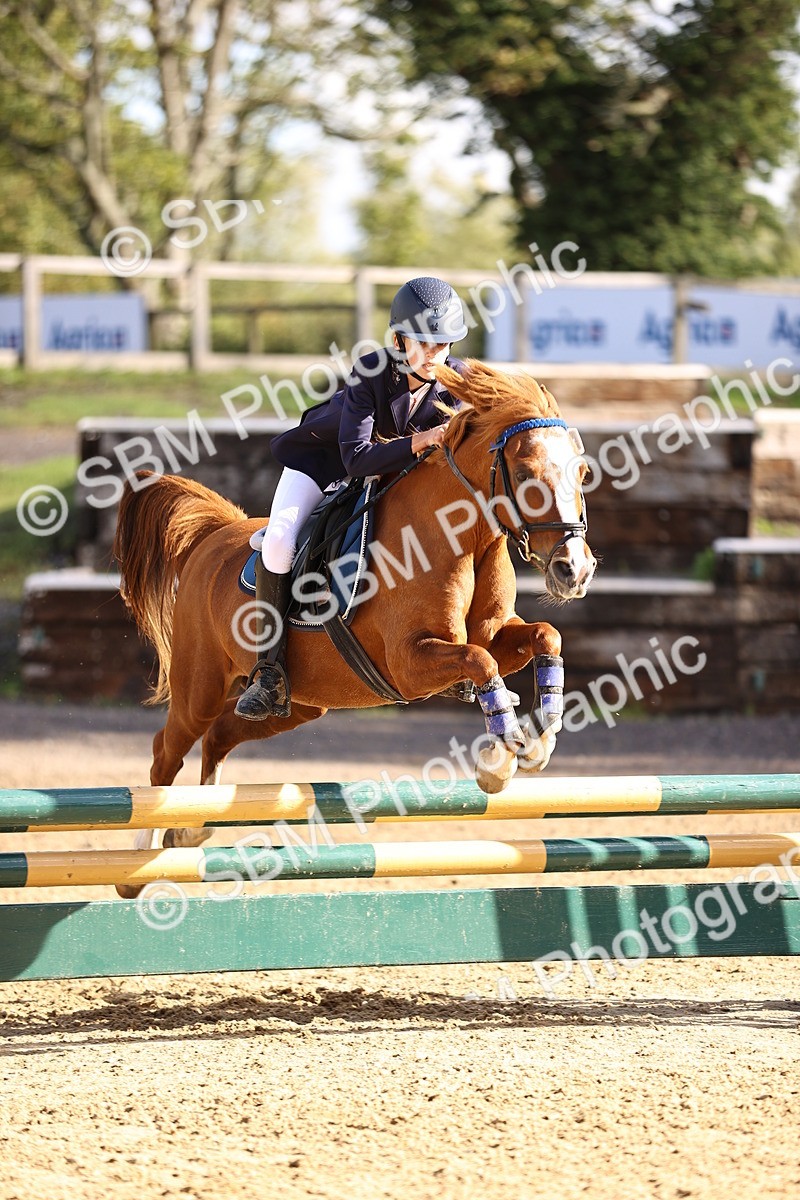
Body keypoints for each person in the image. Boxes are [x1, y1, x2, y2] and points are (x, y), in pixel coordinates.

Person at [235, 275, 469, 721]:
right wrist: (425, 441)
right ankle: (268, 672)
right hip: (324, 466)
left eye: (444, 346)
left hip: (389, 479)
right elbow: (358, 459)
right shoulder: (372, 371)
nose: (437, 356)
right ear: (399, 339)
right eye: (426, 344)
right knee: (282, 542)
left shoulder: (457, 381)